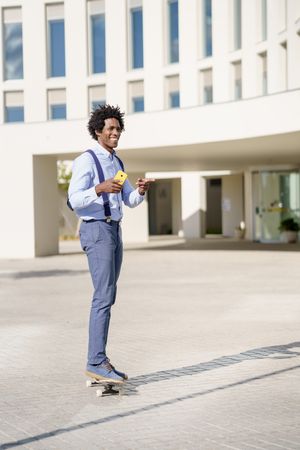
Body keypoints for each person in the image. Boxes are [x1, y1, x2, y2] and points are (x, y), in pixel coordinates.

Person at [68, 104, 154, 384]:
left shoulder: (118, 163)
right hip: (96, 230)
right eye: (111, 129)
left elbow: (129, 201)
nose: (116, 133)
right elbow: (73, 200)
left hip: (114, 231)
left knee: (108, 295)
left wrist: (140, 191)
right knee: (103, 296)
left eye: (118, 129)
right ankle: (95, 362)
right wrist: (99, 188)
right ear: (98, 131)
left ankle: (99, 360)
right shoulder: (86, 160)